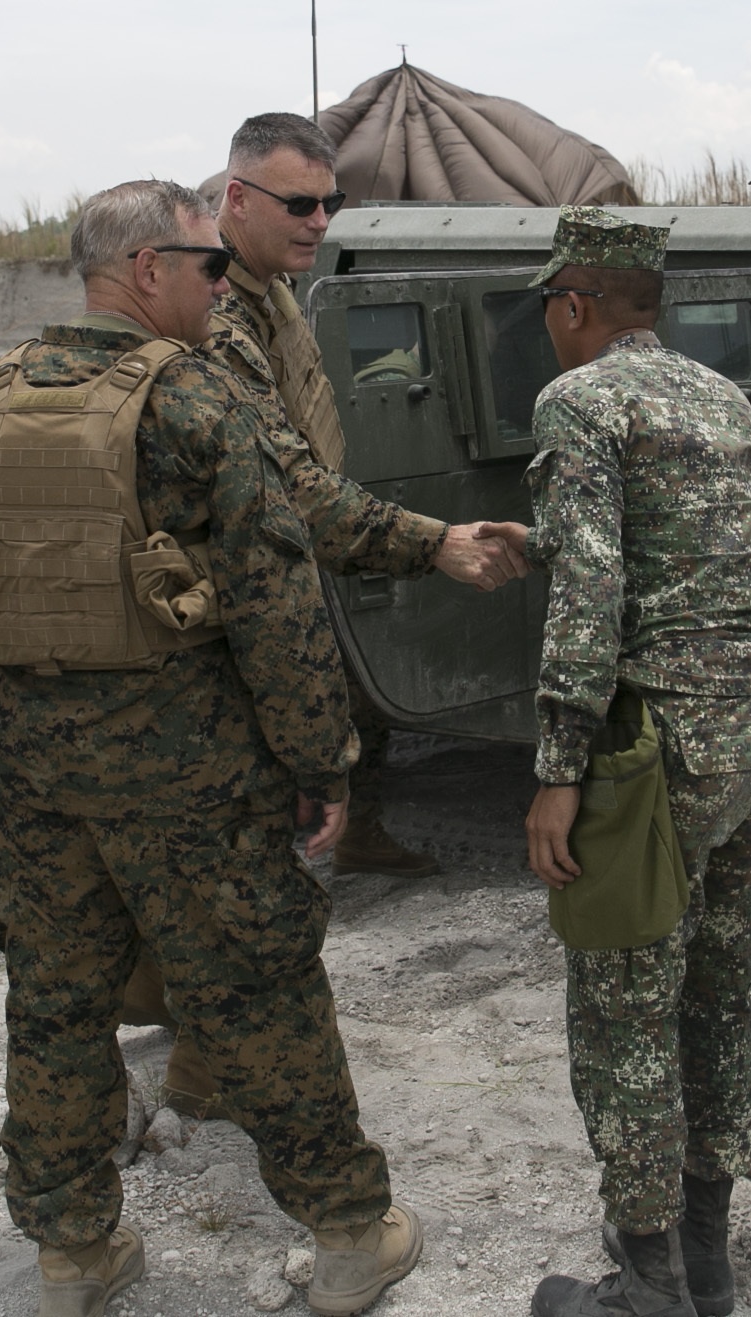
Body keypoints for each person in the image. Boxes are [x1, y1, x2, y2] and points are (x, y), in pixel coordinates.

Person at [0, 179, 424, 1317]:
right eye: (203, 266)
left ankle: (73, 1253)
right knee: (258, 994)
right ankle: (348, 1236)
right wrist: (317, 765)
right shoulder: (194, 403)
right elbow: (277, 599)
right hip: (189, 777)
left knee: (53, 1002)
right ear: (146, 270)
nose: (214, 284)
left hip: (36, 769)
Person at [500, 206, 751, 1317]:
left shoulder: (579, 399)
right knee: (720, 990)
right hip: (743, 736)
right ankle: (709, 1253)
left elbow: (591, 595)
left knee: (621, 997)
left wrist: (556, 768)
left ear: (574, 305)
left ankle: (643, 1281)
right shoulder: (722, 400)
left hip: (653, 752)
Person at [211, 110, 529, 880]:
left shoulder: (272, 292)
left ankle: (359, 829)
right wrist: (435, 542)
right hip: (248, 558)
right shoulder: (218, 316)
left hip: (302, 540)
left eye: (330, 205)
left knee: (348, 691)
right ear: (236, 198)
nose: (318, 222)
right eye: (298, 205)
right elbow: (281, 480)